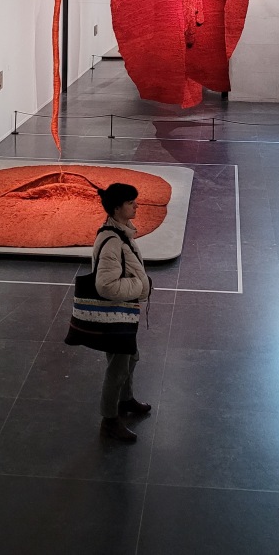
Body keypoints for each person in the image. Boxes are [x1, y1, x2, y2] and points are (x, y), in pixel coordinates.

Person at [94, 183, 152, 443]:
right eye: (131, 202)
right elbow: (105, 285)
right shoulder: (112, 242)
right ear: (117, 208)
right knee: (117, 367)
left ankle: (126, 400)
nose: (136, 205)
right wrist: (139, 286)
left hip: (124, 310)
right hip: (114, 314)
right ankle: (109, 420)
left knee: (130, 358)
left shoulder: (122, 233)